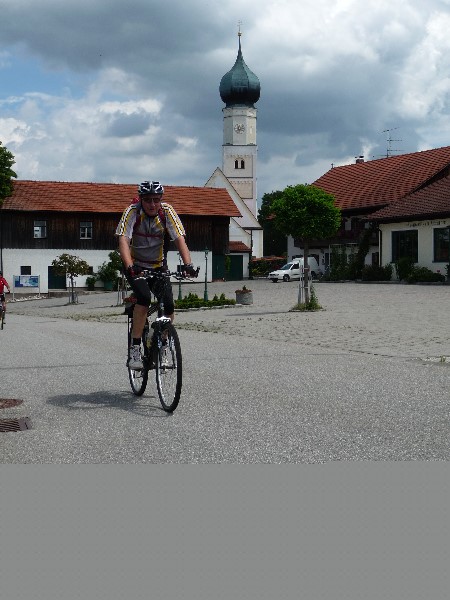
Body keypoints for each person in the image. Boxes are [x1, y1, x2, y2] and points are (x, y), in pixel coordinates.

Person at [116, 180, 198, 370]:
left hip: (158, 266)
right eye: (148, 200)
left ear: (161, 199)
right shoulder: (132, 212)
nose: (153, 204)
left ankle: (161, 344)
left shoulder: (167, 211)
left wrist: (189, 265)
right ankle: (135, 348)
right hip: (136, 266)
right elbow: (123, 239)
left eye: (156, 200)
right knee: (143, 298)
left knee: (169, 306)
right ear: (141, 200)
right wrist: (130, 266)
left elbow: (179, 239)